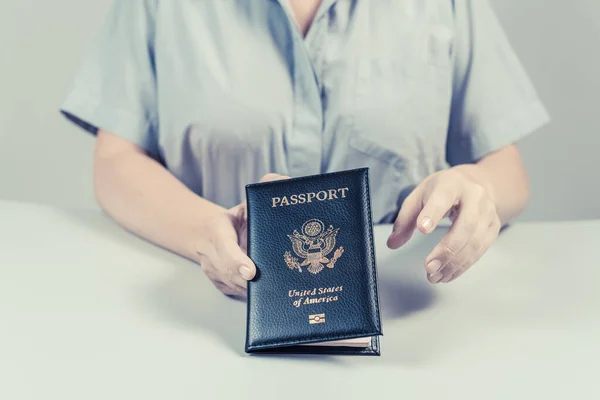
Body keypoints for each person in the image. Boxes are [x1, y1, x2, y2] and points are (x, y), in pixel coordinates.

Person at [60, 0, 549, 297]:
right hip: (203, 305)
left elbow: (507, 168)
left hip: (406, 312)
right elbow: (116, 159)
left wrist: (477, 188)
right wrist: (202, 234)